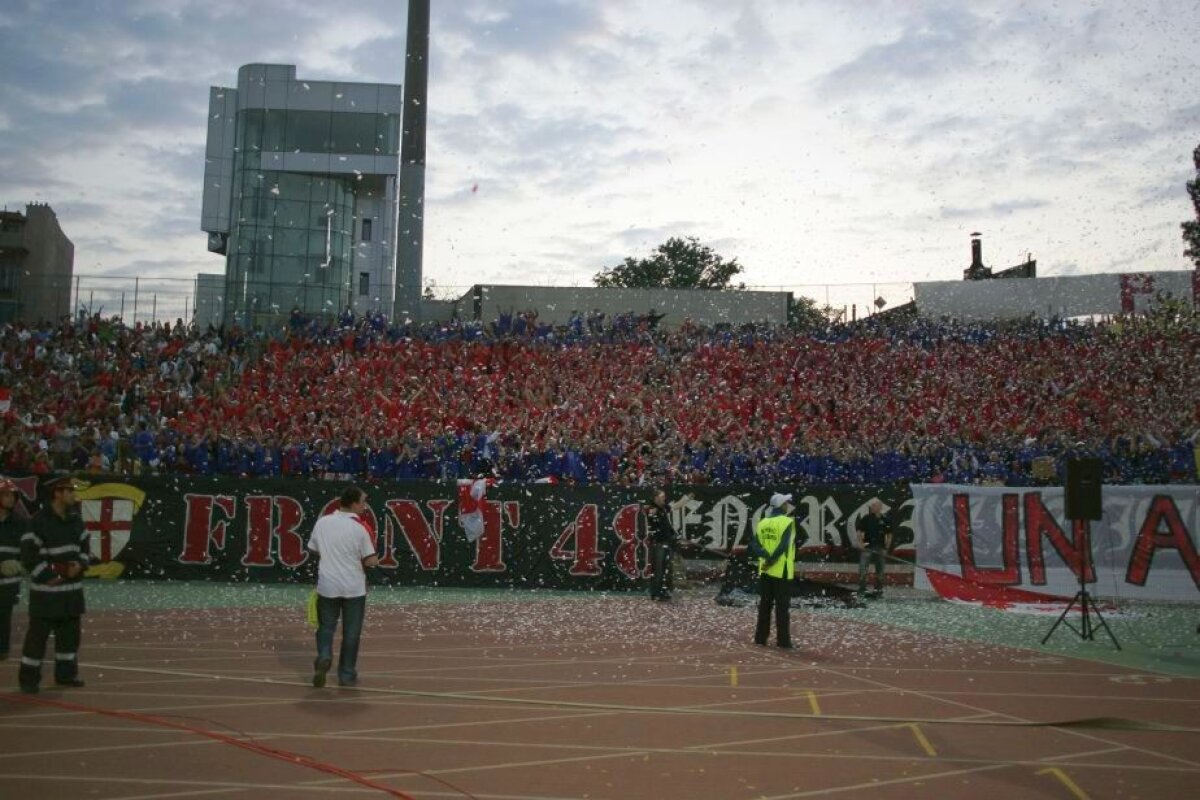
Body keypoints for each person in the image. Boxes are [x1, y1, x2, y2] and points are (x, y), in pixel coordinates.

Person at [18, 475, 93, 693]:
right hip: (46, 594)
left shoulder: (75, 519)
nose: (74, 494)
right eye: (69, 490)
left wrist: (80, 564)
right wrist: (53, 575)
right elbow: (29, 557)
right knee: (37, 639)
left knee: (69, 639)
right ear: (57, 493)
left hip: (71, 595)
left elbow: (85, 547)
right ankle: (29, 680)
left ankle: (66, 674)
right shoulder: (38, 522)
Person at [307, 486, 379, 688]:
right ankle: (346, 674)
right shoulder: (360, 528)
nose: (365, 506)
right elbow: (370, 560)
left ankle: (324, 654)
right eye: (363, 502)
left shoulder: (323, 522)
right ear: (354, 503)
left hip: (328, 585)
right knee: (351, 633)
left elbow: (312, 548)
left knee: (326, 627)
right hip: (354, 587)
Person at [754, 493, 797, 649]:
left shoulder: (763, 522)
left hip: (765, 571)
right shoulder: (787, 522)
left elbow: (755, 545)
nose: (788, 505)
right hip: (781, 571)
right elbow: (783, 546)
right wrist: (772, 560)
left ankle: (760, 637)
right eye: (786, 502)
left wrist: (766, 560)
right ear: (781, 505)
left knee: (765, 604)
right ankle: (783, 641)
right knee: (782, 607)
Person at [646, 488, 690, 601]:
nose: (664, 499)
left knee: (666, 568)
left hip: (667, 542)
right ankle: (656, 593)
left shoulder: (663, 508)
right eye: (662, 497)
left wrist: (686, 499)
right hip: (659, 543)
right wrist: (652, 513)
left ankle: (664, 591)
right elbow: (650, 514)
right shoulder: (652, 508)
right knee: (659, 569)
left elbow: (675, 506)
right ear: (655, 498)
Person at [0, 476, 25, 660]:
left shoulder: (20, 523)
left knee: (4, 615)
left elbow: (28, 551)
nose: (10, 499)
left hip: (8, 581)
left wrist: (21, 565)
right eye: (6, 495)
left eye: (13, 496)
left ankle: (2, 649)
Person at [856, 499, 891, 598]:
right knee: (863, 569)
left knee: (880, 570)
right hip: (868, 547)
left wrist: (887, 547)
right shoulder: (866, 518)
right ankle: (862, 589)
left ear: (880, 507)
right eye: (871, 506)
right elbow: (859, 532)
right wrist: (861, 543)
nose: (872, 507)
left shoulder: (885, 519)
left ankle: (878, 590)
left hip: (880, 548)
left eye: (874, 506)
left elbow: (889, 534)